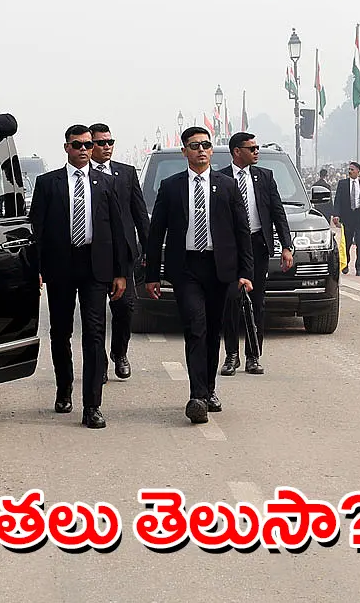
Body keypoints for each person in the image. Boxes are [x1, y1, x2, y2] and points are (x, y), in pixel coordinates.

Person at [145, 127, 253, 424]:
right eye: (194, 146)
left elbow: (242, 231)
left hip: (221, 269)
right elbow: (156, 235)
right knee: (195, 327)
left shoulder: (227, 186)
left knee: (214, 330)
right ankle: (197, 395)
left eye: (206, 145)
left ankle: (209, 391)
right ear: (185, 152)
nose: (201, 150)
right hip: (187, 269)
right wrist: (152, 274)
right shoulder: (171, 187)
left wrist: (246, 272)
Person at [29, 124, 128, 429]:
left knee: (95, 334)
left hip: (95, 267)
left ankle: (92, 405)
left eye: (88, 145)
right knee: (60, 332)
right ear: (66, 148)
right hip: (61, 266)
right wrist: (37, 270)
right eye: (77, 145)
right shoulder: (48, 183)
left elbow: (116, 230)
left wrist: (120, 272)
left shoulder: (104, 183)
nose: (84, 150)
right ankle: (64, 388)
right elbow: (38, 230)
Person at [218, 132, 294, 376]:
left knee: (257, 302)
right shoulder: (220, 178)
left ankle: (253, 355)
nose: (256, 152)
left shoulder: (264, 177)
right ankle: (231, 356)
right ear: (237, 151)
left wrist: (286, 245)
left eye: (257, 147)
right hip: (230, 249)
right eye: (251, 148)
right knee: (230, 302)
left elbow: (277, 212)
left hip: (257, 245)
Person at [88, 122, 148, 380]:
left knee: (125, 307)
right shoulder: (80, 175)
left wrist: (149, 249)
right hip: (92, 256)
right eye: (101, 143)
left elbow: (139, 212)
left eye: (110, 142)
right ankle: (98, 362)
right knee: (94, 315)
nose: (107, 147)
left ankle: (119, 352)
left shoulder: (126, 173)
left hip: (123, 255)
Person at [331, 161, 360, 276]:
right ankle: (345, 263)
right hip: (347, 216)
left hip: (359, 216)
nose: (350, 171)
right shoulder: (342, 184)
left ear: (358, 171)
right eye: (349, 169)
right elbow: (337, 200)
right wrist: (336, 215)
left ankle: (359, 267)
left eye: (352, 169)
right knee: (347, 242)